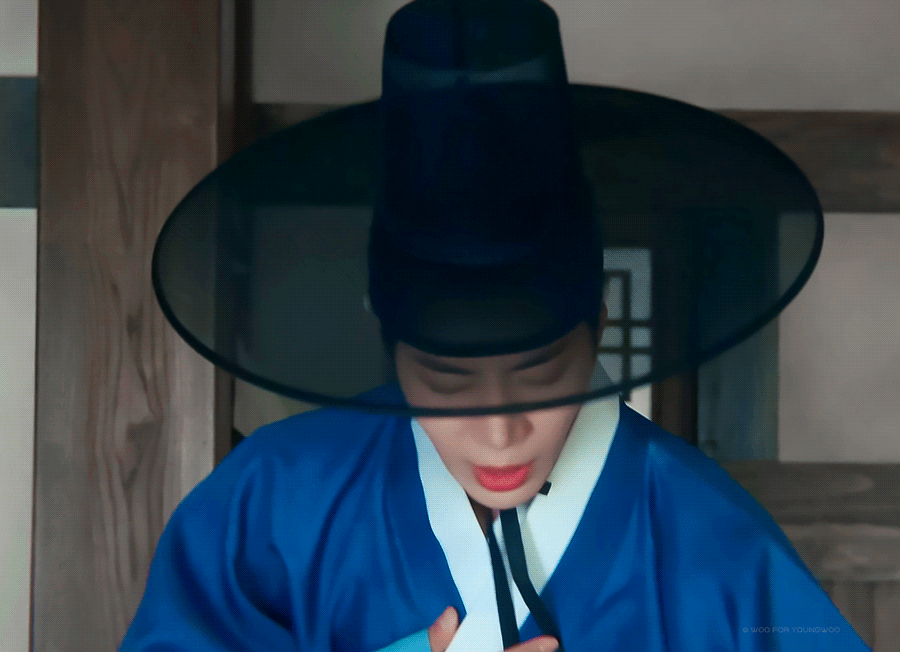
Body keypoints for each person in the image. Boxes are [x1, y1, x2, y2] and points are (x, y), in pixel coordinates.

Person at [124, 0, 873, 650]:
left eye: (540, 373)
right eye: (447, 379)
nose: (499, 434)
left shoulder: (720, 548)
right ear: (387, 336)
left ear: (598, 324)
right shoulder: (271, 505)